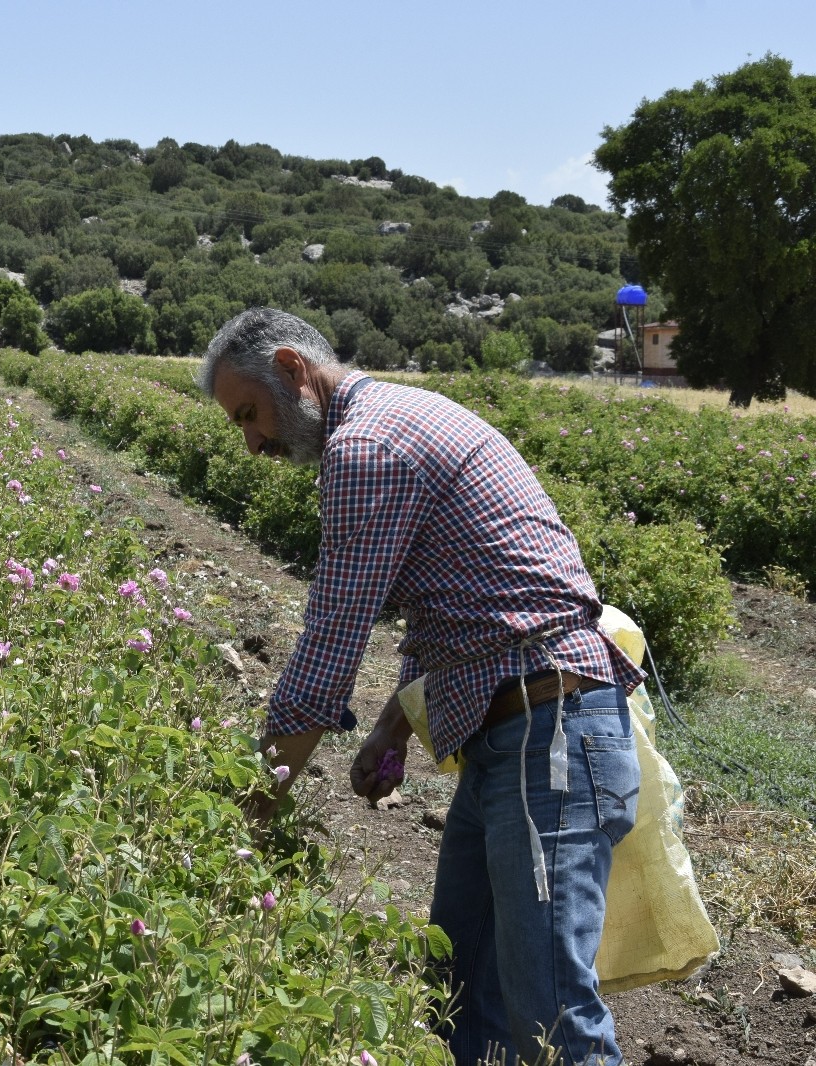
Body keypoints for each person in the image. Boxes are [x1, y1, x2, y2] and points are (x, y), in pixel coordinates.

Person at [197, 308, 645, 1066]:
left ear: (293, 369)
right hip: (514, 735)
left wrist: (254, 801)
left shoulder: (367, 445)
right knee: (460, 985)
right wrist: (391, 728)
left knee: (552, 1016)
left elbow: (331, 642)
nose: (252, 443)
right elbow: (458, 603)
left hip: (550, 738)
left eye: (250, 414)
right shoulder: (394, 417)